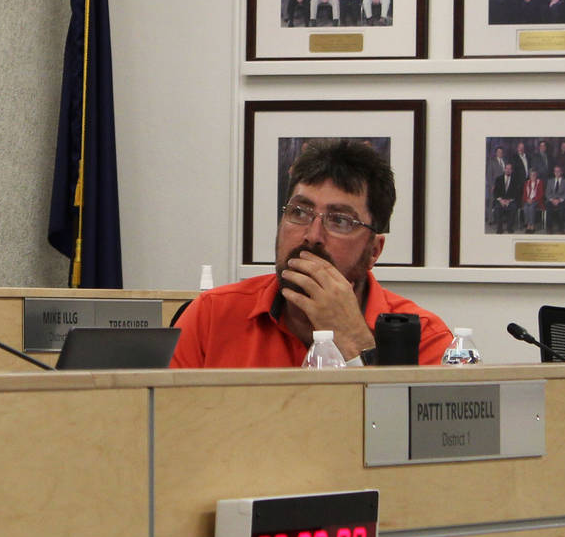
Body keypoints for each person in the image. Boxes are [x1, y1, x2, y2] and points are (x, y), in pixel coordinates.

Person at [172, 139, 451, 367]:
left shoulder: (425, 337)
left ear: (373, 251)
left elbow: (399, 432)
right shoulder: (211, 316)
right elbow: (160, 426)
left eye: (340, 220)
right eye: (299, 212)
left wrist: (352, 338)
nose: (312, 236)